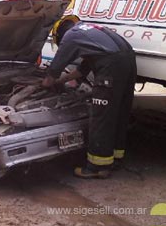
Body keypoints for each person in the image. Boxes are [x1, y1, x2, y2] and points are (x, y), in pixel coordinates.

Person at [42, 15, 137, 179]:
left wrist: (45, 84)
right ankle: (116, 157)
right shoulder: (89, 31)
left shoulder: (70, 36)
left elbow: (54, 70)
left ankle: (97, 167)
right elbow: (82, 70)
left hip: (111, 67)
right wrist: (62, 81)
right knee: (119, 111)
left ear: (59, 34)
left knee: (101, 116)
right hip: (128, 60)